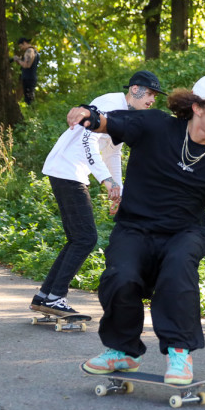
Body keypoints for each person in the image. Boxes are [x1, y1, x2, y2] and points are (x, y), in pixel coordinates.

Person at [66, 72, 205, 385]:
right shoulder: (155, 126)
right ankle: (123, 351)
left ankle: (179, 353)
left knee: (177, 272)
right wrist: (86, 114)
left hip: (185, 233)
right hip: (135, 227)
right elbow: (107, 121)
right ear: (198, 108)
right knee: (120, 277)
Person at [30, 70, 167, 318]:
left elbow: (112, 152)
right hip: (67, 168)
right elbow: (87, 141)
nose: (152, 100)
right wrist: (105, 180)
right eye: (149, 93)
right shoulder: (109, 102)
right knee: (85, 238)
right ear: (134, 89)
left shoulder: (127, 116)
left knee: (78, 238)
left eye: (155, 96)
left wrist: (119, 190)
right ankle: (55, 297)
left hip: (71, 171)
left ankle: (45, 296)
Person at [12, 38, 39, 105]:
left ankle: (32, 114)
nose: (21, 48)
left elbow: (26, 65)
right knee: (29, 98)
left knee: (29, 100)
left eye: (21, 46)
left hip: (28, 79)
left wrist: (17, 59)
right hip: (30, 78)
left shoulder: (29, 51)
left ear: (24, 43)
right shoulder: (34, 51)